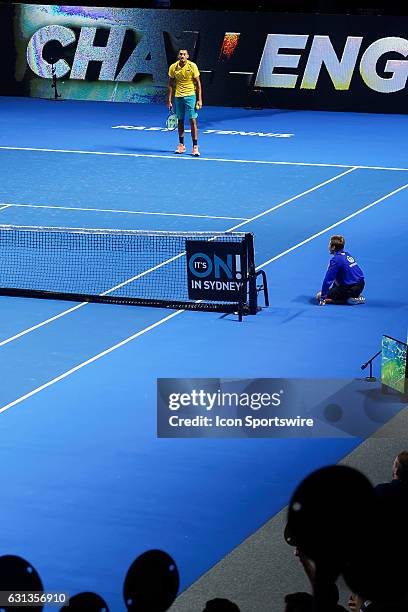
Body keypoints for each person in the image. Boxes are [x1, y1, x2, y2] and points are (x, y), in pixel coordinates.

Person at [168, 49, 202, 157]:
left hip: (191, 96)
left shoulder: (193, 66)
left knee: (192, 121)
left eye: (184, 54)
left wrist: (199, 99)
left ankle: (195, 147)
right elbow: (170, 84)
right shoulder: (173, 67)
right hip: (178, 97)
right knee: (180, 121)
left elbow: (198, 84)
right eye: (181, 54)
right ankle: (181, 145)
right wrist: (169, 100)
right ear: (178, 56)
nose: (182, 56)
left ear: (187, 56)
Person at [316, 235, 365, 305]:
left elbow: (328, 280)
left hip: (350, 289)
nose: (328, 246)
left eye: (329, 244)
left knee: (318, 295)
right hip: (360, 285)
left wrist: (323, 297)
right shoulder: (347, 254)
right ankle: (355, 295)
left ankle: (350, 300)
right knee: (337, 276)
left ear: (333, 247)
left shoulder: (335, 260)